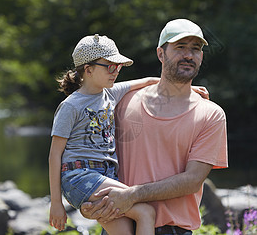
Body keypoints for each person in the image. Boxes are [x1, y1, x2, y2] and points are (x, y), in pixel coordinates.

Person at [81, 18, 228, 235]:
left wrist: (132, 195)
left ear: (201, 57)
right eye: (180, 47)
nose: (188, 55)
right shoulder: (123, 101)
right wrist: (85, 197)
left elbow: (192, 180)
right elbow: (84, 141)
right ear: (161, 54)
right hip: (118, 226)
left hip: (175, 230)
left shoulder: (211, 114)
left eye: (195, 49)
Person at [48, 34, 158, 234]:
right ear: (88, 70)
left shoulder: (110, 93)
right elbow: (55, 154)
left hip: (105, 174)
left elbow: (149, 81)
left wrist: (189, 89)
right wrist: (57, 203)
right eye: (110, 66)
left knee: (127, 230)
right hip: (79, 176)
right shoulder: (71, 106)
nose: (116, 71)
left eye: (118, 66)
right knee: (146, 211)